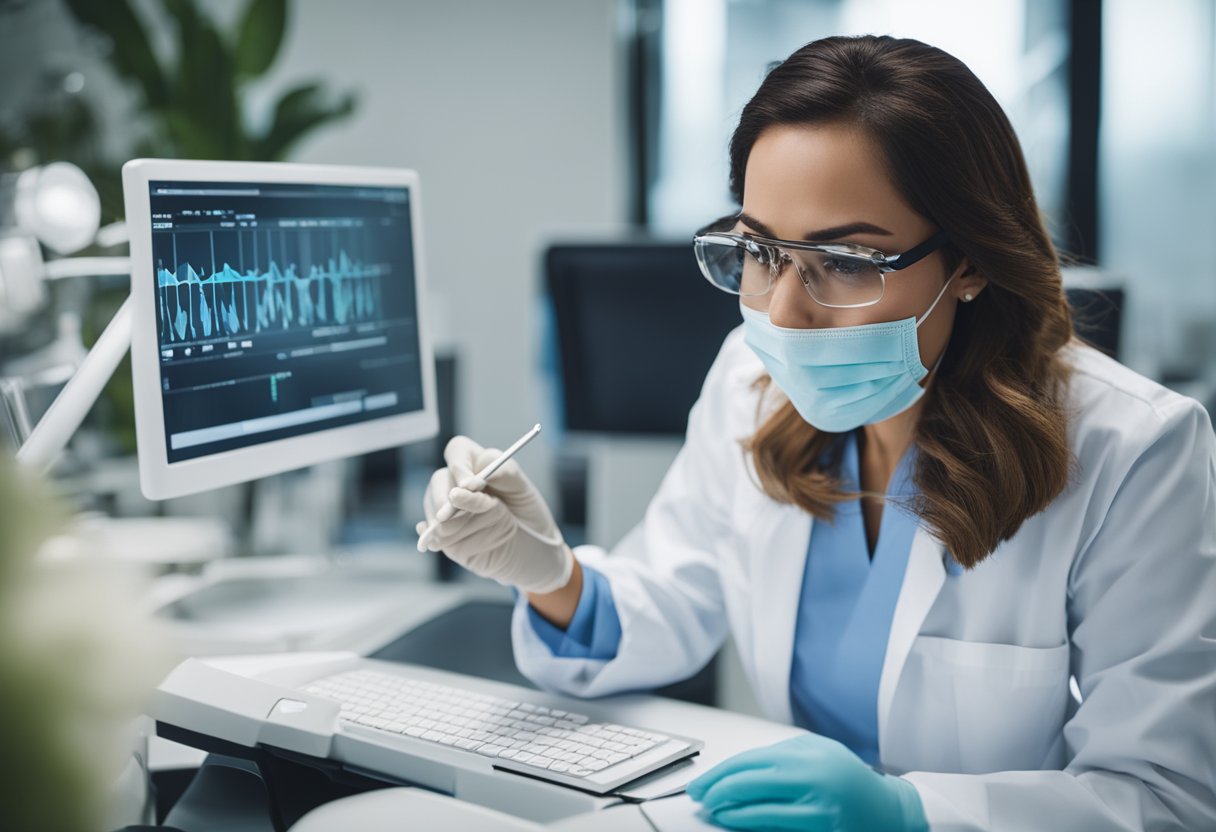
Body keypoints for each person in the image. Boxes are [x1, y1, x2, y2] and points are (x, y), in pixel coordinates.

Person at [418, 35, 1216, 831]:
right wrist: (547, 572)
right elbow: (671, 599)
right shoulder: (750, 380)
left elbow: (1164, 796)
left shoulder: (1135, 449)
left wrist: (912, 815)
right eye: (761, 251)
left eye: (847, 260)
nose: (785, 313)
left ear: (969, 262)